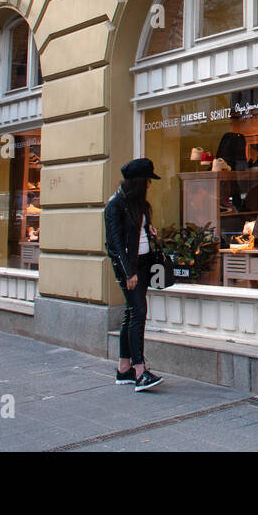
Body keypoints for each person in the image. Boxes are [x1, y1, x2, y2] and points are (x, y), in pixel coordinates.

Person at [104, 157, 163, 392]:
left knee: (131, 313)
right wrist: (129, 272)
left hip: (144, 263)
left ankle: (124, 368)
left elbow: (135, 233)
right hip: (130, 267)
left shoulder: (138, 203)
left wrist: (148, 229)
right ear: (139, 182)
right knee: (138, 312)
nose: (150, 184)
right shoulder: (115, 205)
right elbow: (115, 245)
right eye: (148, 180)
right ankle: (140, 372)